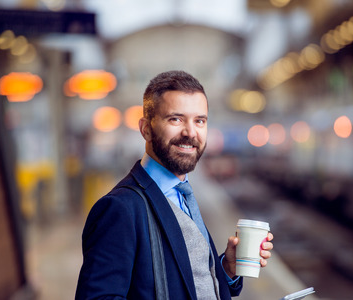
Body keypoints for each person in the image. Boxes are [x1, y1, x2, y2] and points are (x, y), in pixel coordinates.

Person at [75, 70, 274, 299]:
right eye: (176, 119)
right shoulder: (120, 208)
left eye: (199, 120)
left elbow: (187, 284)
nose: (190, 132)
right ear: (146, 129)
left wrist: (226, 268)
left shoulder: (183, 194)